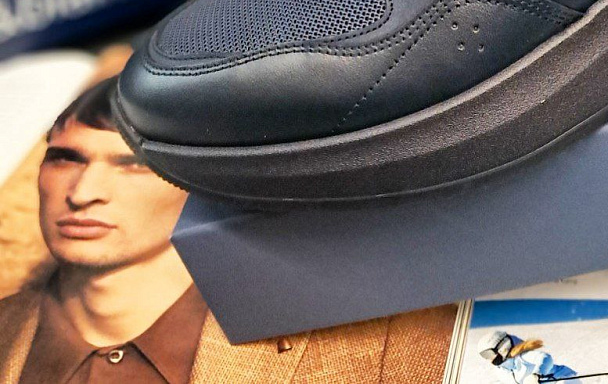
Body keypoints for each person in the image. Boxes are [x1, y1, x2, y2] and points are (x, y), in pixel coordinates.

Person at [0, 76, 455, 383]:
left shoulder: (372, 339)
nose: (83, 193)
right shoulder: (9, 328)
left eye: (133, 165)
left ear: (197, 180)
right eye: (65, 159)